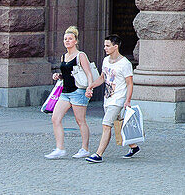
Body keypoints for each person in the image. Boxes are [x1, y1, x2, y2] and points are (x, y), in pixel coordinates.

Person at [84, 35, 139, 162]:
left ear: (116, 46)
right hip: (108, 98)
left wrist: (128, 100)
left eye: (108, 46)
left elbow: (129, 83)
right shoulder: (105, 60)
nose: (105, 48)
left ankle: (98, 154)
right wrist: (91, 86)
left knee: (106, 124)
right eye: (104, 45)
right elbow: (103, 77)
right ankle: (134, 146)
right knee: (119, 123)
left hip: (118, 99)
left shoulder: (125, 63)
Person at [44, 25, 95, 159]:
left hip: (78, 91)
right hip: (65, 92)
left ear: (75, 41)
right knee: (55, 118)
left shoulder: (81, 55)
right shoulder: (64, 56)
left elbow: (88, 73)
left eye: (70, 39)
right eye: (65, 39)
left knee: (80, 121)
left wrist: (89, 88)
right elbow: (67, 74)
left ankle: (85, 148)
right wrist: (58, 76)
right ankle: (60, 148)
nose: (67, 41)